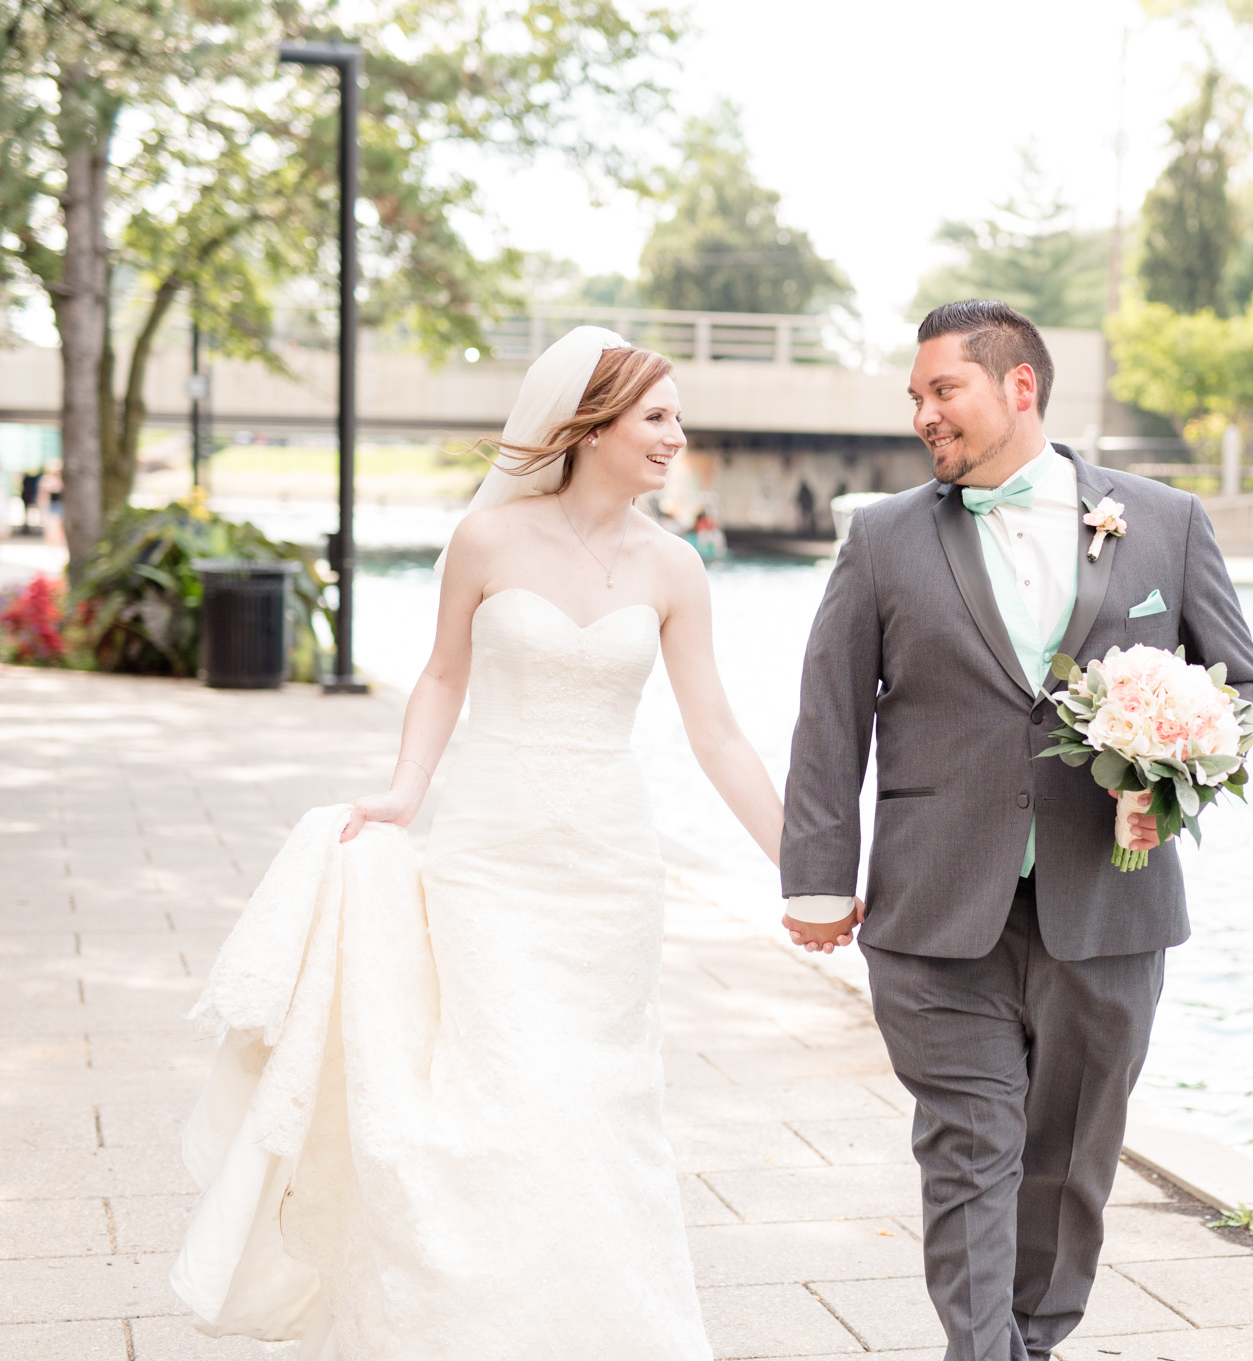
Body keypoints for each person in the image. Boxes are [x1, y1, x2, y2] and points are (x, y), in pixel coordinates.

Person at [171, 329, 808, 1359]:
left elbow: (718, 732)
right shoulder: (490, 541)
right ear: (590, 424)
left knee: (600, 1107)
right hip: (487, 853)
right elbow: (441, 677)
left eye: (676, 417)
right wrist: (403, 792)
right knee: (499, 1096)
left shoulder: (675, 566)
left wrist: (801, 862)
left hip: (607, 867)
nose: (675, 437)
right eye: (656, 416)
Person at [782, 300, 1253, 1361]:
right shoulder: (880, 538)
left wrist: (1168, 769)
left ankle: (1031, 1343)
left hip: (1110, 902)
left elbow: (1241, 688)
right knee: (966, 1151)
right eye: (913, 396)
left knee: (1069, 1162)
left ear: (1017, 387)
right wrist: (816, 878)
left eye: (940, 389)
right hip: (935, 909)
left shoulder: (1165, 521)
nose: (922, 414)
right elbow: (828, 716)